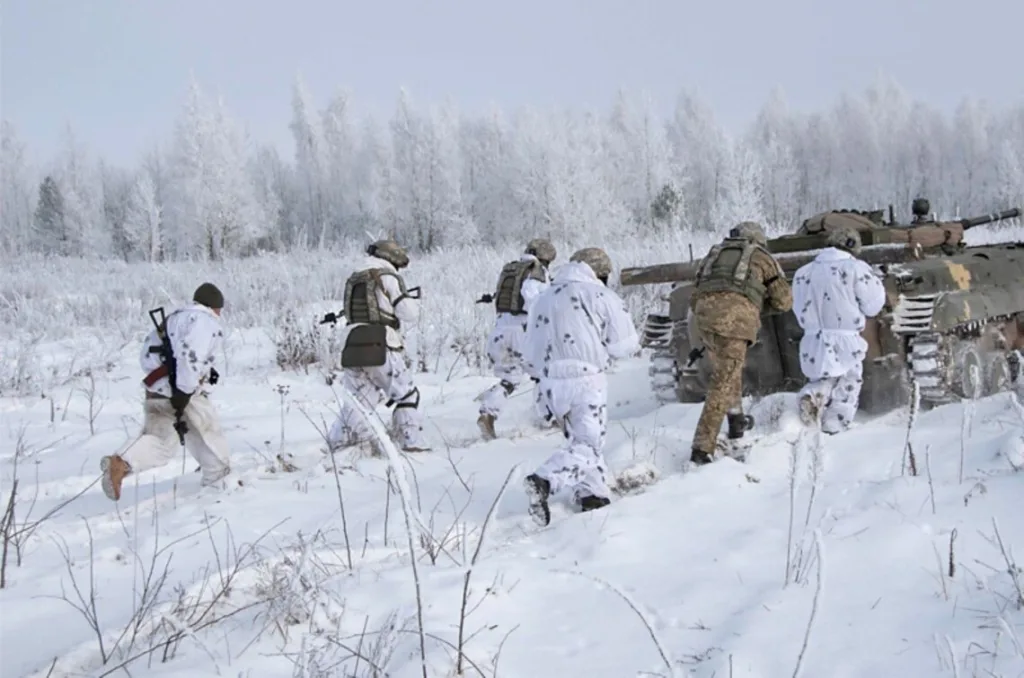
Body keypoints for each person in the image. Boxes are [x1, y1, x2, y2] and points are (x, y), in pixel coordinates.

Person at [521, 247, 640, 526]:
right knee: (587, 444)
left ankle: (593, 496)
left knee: (580, 440)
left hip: (550, 382)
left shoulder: (544, 297)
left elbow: (529, 351)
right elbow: (624, 345)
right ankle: (544, 481)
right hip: (585, 379)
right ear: (599, 272)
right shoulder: (600, 295)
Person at [100, 283, 230, 501]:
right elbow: (190, 357)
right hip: (182, 391)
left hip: (157, 390)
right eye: (220, 308)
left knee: (161, 442)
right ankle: (219, 484)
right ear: (214, 306)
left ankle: (122, 461)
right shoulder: (203, 321)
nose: (220, 313)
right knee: (209, 434)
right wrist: (184, 392)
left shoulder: (175, 318)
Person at [689, 222, 793, 465]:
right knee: (723, 381)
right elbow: (784, 301)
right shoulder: (762, 257)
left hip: (703, 320)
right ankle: (702, 448)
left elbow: (697, 290)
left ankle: (736, 421)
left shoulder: (713, 254)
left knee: (728, 371)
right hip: (735, 322)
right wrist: (756, 307)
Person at [326, 239, 431, 453]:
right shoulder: (386, 276)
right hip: (380, 342)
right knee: (406, 394)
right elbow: (409, 313)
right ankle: (412, 441)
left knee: (359, 401)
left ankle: (342, 443)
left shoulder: (354, 278)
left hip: (351, 343)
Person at [793, 225, 886, 433]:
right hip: (846, 338)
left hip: (812, 338)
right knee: (849, 381)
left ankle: (812, 394)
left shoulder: (803, 273)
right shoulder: (855, 268)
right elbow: (873, 305)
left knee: (825, 377)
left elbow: (798, 307)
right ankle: (835, 424)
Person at [476, 238, 558, 440]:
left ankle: (488, 413)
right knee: (542, 373)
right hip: (522, 331)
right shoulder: (537, 271)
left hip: (501, 329)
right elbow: (530, 295)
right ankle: (548, 416)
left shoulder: (511, 269)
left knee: (510, 378)